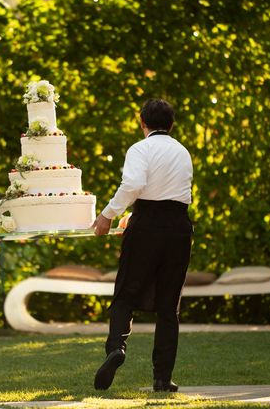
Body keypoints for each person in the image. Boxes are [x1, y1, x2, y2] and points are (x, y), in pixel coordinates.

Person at [91, 98, 193, 393]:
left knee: (125, 293)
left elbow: (134, 185)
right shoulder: (182, 152)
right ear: (171, 124)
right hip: (178, 228)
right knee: (168, 307)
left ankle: (116, 348)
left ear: (142, 122)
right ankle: (162, 378)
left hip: (147, 226)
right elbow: (173, 195)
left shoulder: (140, 148)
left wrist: (107, 215)